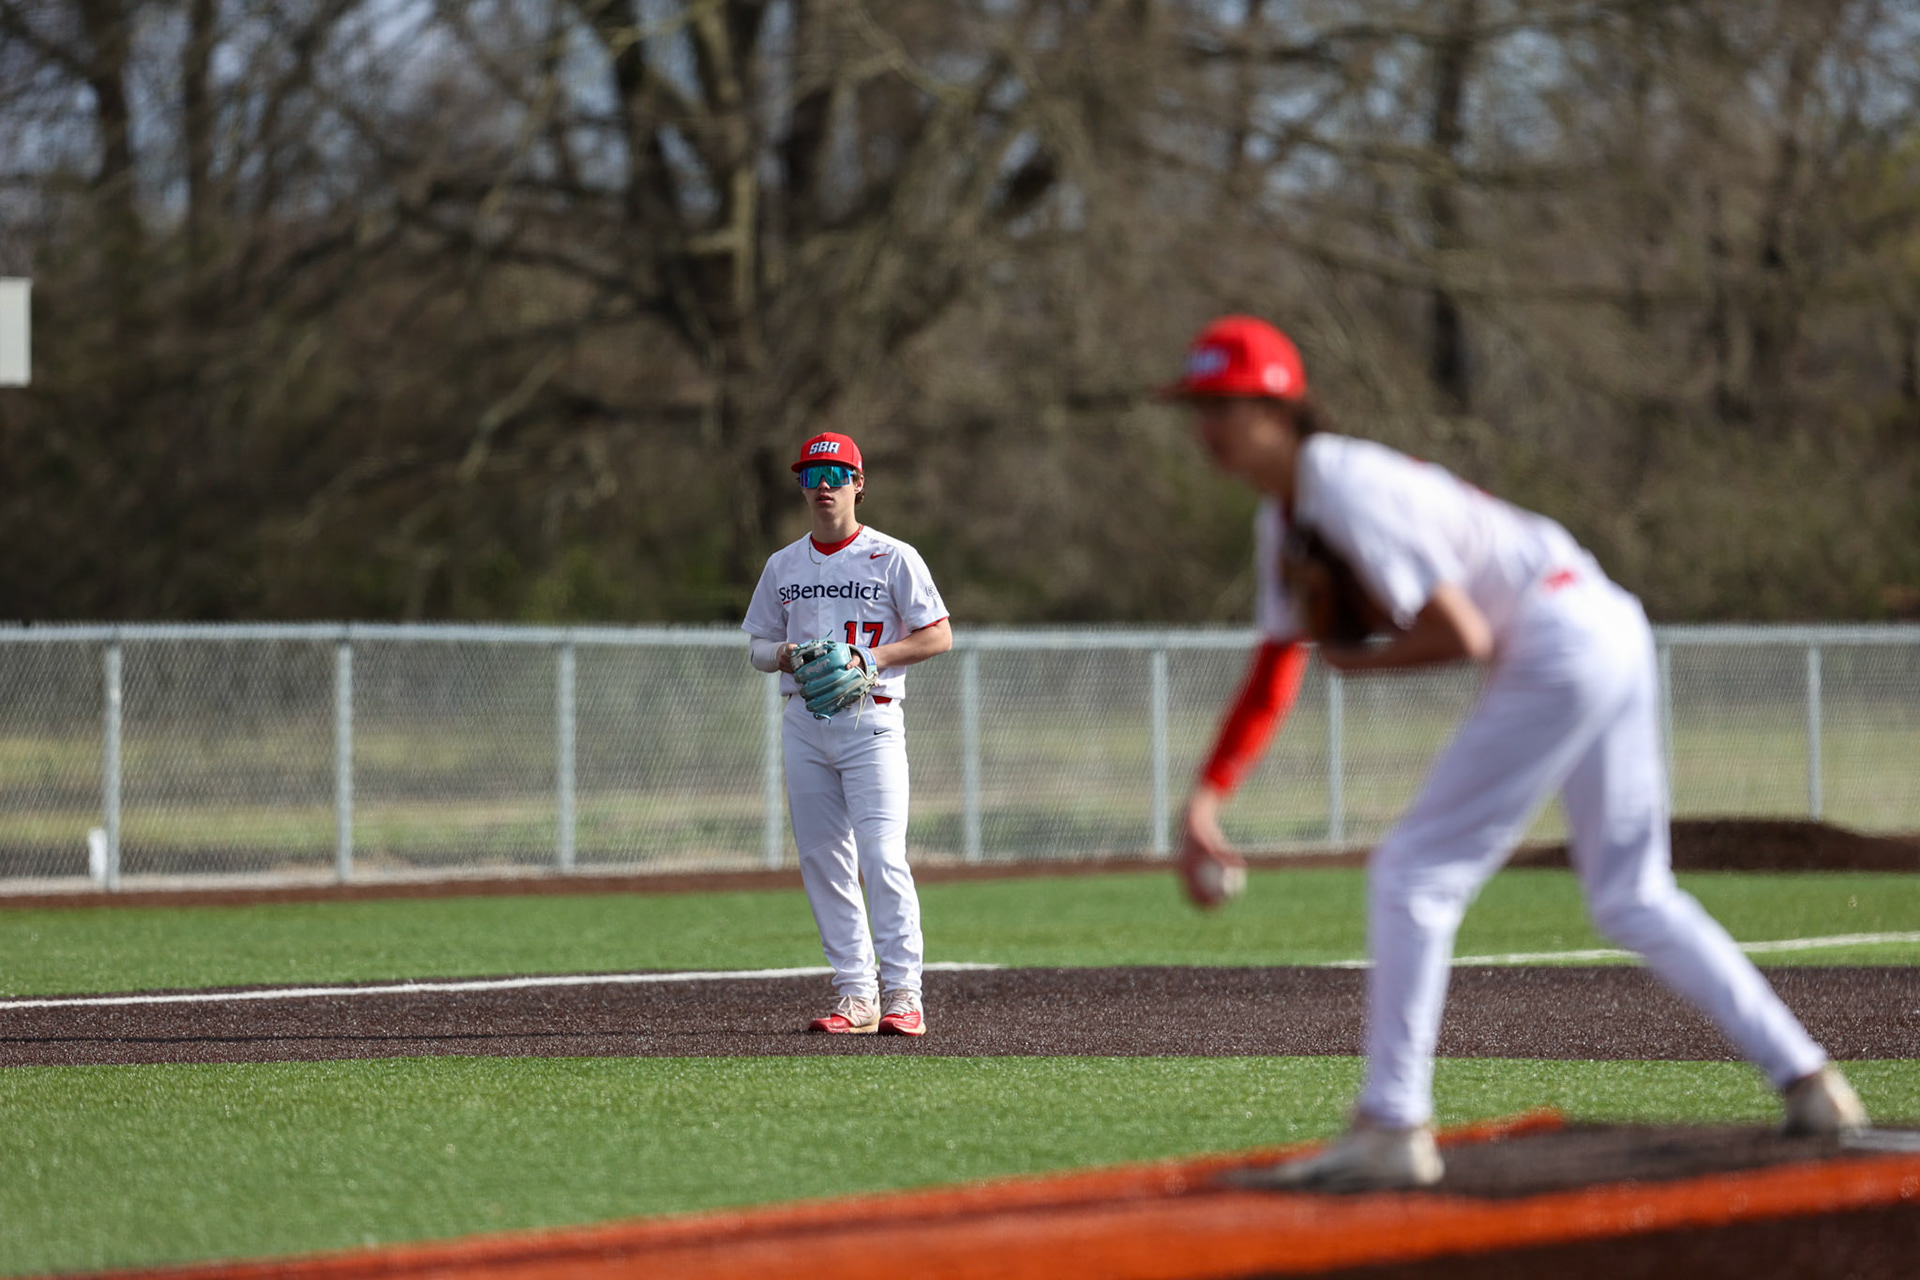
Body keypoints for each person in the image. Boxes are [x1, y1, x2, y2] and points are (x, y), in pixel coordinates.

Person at [1165, 315, 1869, 1191]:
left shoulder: (1341, 482)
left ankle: (1391, 1123)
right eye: (1197, 407)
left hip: (1556, 639)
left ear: (1279, 408)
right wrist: (1207, 797)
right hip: (1604, 620)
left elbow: (1459, 631)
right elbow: (1276, 664)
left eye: (1222, 405)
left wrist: (1358, 664)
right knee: (1633, 893)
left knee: (1415, 872)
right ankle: (1808, 1080)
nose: (1205, 427)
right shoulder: (1290, 518)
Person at [741, 431, 953, 1036]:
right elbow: (756, 646)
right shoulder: (783, 564)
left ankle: (903, 995)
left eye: (836, 475)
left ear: (859, 483)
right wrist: (783, 653)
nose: (824, 486)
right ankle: (857, 995)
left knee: (883, 857)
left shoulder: (894, 556)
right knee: (823, 860)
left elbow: (938, 634)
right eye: (812, 477)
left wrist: (874, 660)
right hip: (805, 723)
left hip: (873, 722)